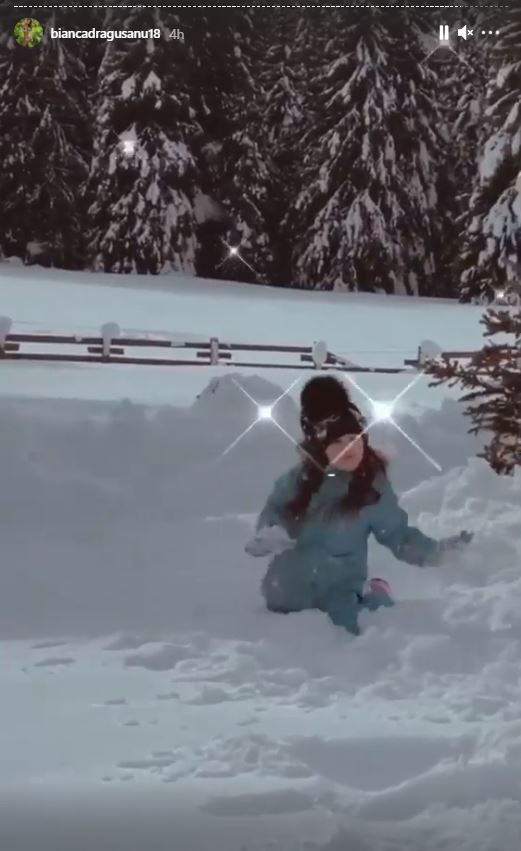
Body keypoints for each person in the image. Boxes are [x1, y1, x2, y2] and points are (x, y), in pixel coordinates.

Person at [246, 375, 472, 636]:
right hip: (289, 588)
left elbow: (397, 535)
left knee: (352, 622)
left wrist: (434, 552)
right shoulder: (298, 480)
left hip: (339, 588)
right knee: (286, 607)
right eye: (337, 442)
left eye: (354, 438)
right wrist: (269, 533)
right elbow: (274, 511)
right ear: (319, 447)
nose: (349, 447)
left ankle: (376, 592)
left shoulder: (370, 487)